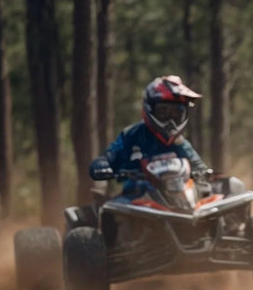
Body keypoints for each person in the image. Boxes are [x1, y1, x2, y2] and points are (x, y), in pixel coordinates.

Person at [88, 75, 210, 203]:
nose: (171, 121)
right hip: (135, 199)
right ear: (149, 108)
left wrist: (203, 176)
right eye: (163, 112)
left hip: (176, 199)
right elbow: (111, 155)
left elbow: (198, 166)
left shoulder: (179, 142)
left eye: (177, 114)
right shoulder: (133, 134)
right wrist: (102, 164)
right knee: (114, 208)